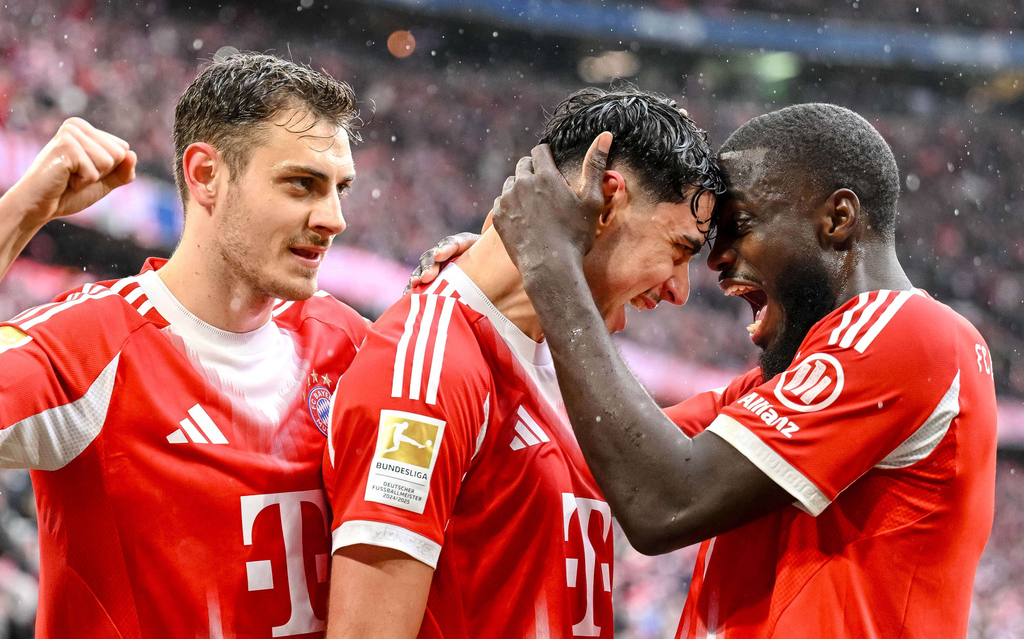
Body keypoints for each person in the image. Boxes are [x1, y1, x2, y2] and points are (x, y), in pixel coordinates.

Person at [490, 102, 997, 638]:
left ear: (837, 219)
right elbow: (591, 451)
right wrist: (485, 295)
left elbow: (664, 501)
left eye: (740, 225)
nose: (715, 259)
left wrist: (552, 265)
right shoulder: (794, 377)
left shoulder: (910, 333)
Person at [322, 87, 725, 639]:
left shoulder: (562, 362)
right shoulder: (428, 370)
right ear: (606, 199)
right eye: (678, 250)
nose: (680, 290)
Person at [0, 53, 368, 637]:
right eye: (303, 184)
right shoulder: (88, 346)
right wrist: (19, 213)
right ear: (205, 175)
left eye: (340, 189)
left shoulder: (347, 341)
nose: (334, 218)